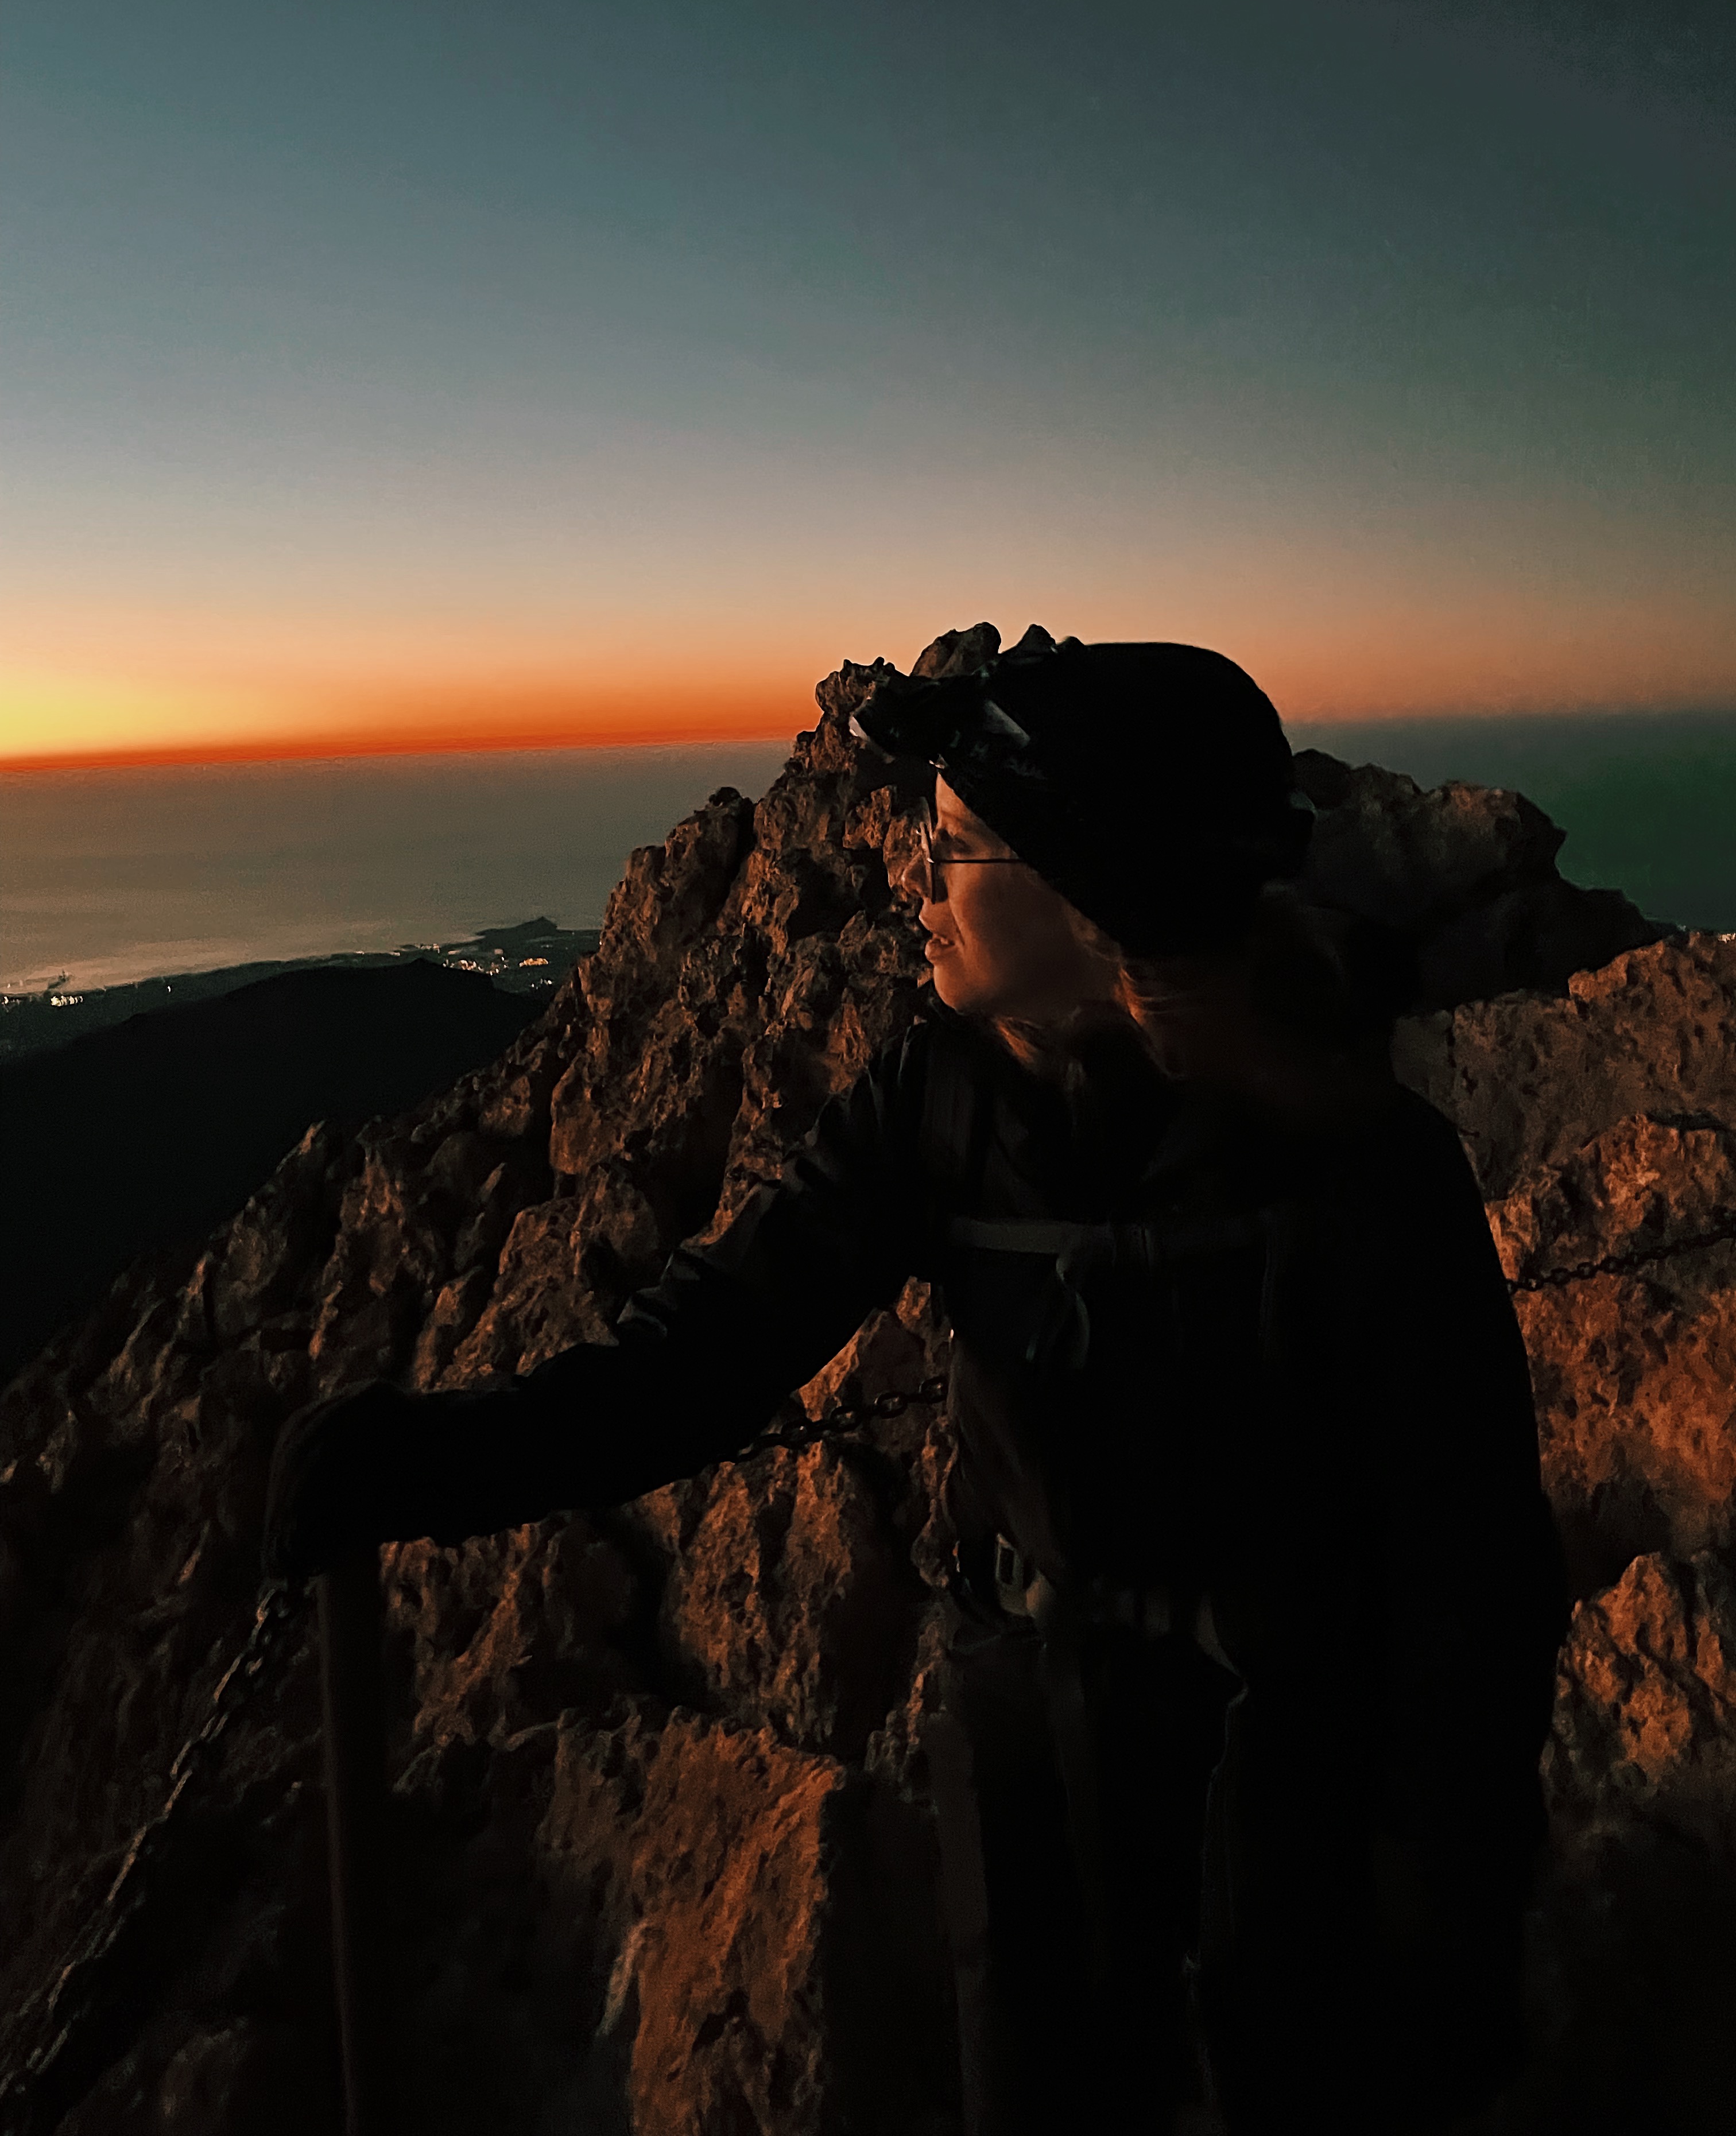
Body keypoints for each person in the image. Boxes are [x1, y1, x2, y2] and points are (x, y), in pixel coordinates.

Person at [264, 627, 1568, 2136]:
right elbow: (709, 1349)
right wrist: (436, 1464)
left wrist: (1440, 1912)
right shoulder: (936, 1096)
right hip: (1035, 1748)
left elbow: (1473, 1565)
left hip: (1300, 1771)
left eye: (954, 849)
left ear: (1095, 893)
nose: (910, 882)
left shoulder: (1362, 1164)